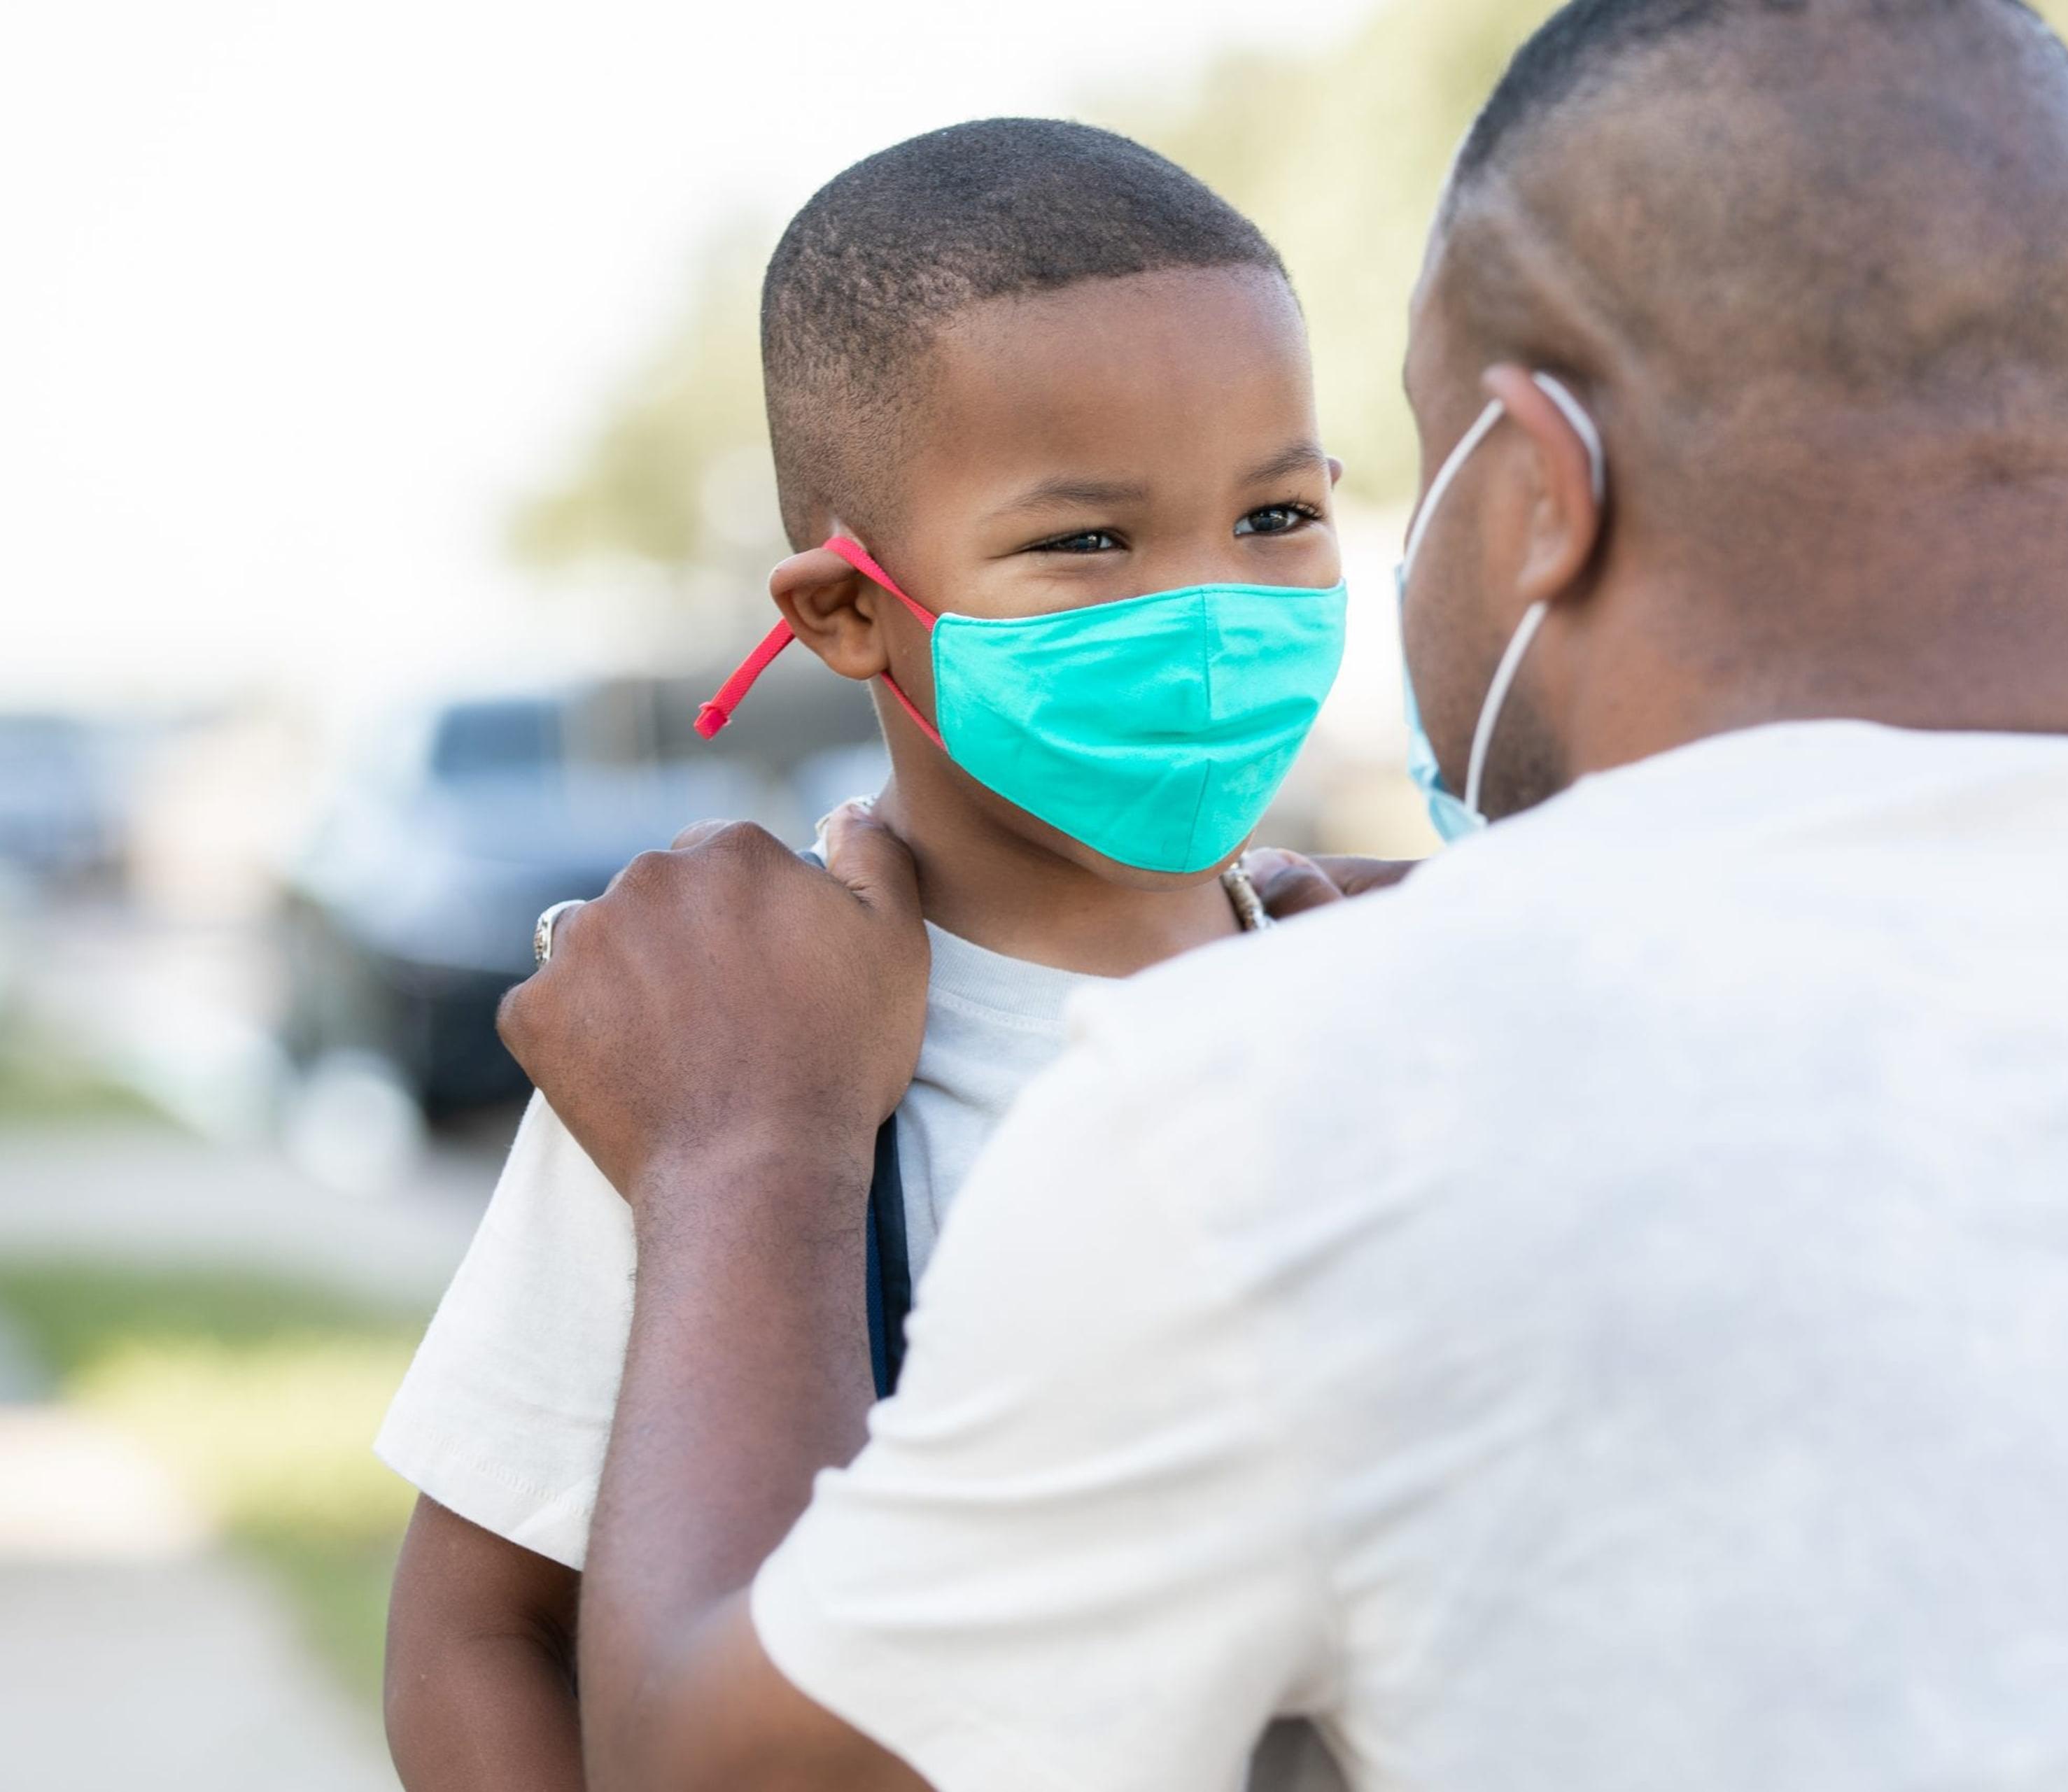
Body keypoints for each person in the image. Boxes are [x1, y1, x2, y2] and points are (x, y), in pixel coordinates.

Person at [506, 1, 2068, 1786]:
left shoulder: (1287, 1111)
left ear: (1533, 487)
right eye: (1102, 540)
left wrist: (743, 1148)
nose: (1238, 598)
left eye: (1309, 504)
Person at [375, 119, 1351, 1791]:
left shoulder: (1384, 1008)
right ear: (847, 613)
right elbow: (481, 1635)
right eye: (1090, 544)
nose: (1210, 610)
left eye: (1275, 515)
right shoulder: (719, 1069)